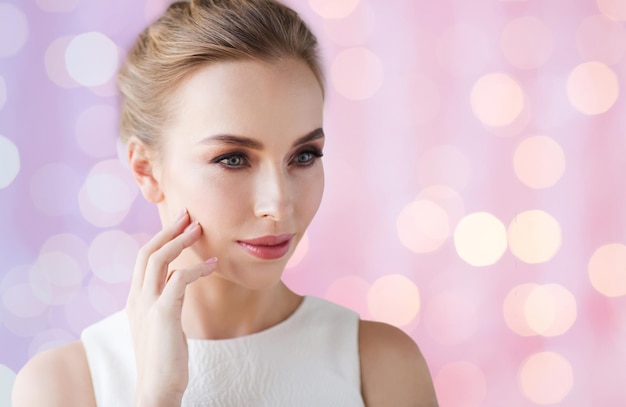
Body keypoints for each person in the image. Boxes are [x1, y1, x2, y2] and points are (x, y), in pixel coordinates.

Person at [12, 0, 438, 405]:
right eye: (232, 159)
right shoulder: (65, 386)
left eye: (304, 155)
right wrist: (158, 396)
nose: (279, 204)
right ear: (146, 170)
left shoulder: (381, 367)